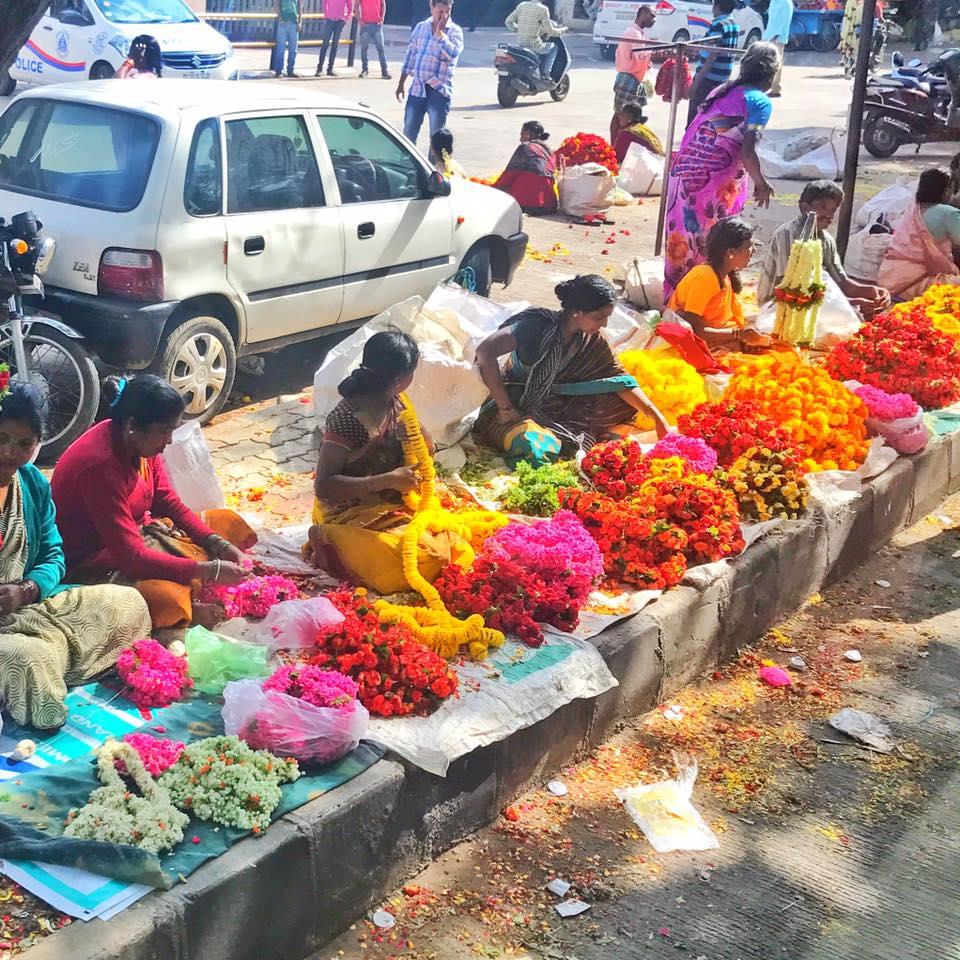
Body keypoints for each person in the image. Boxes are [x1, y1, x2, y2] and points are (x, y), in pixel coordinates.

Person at [51, 376, 256, 631]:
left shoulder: (139, 444)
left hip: (139, 534)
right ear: (132, 426)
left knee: (227, 523)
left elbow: (166, 500)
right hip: (96, 559)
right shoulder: (100, 466)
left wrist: (219, 544)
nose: (169, 441)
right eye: (164, 431)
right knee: (166, 599)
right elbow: (131, 557)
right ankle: (186, 610)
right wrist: (210, 571)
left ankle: (193, 586)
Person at [0, 383, 151, 730]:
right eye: (2, 438)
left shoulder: (31, 483)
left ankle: (42, 665)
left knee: (128, 603)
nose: (10, 452)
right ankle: (40, 667)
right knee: (27, 658)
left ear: (37, 446)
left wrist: (26, 590)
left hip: (28, 609)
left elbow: (54, 555)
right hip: (13, 636)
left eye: (24, 444)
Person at [306, 331, 474, 592]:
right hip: (349, 512)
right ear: (400, 379)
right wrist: (385, 480)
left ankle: (349, 548)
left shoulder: (397, 403)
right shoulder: (347, 419)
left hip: (390, 504)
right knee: (425, 560)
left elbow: (427, 450)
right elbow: (324, 486)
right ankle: (329, 539)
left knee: (454, 544)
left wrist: (420, 437)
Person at [474, 275, 670, 465]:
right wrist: (505, 407)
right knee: (533, 449)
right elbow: (485, 352)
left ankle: (562, 434)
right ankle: (549, 437)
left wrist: (655, 415)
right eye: (599, 317)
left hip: (556, 402)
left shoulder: (592, 337)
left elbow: (616, 377)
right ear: (577, 312)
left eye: (607, 316)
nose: (605, 324)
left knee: (624, 404)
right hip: (515, 398)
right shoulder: (535, 326)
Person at [663, 41, 780, 301]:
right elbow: (746, 152)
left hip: (683, 177)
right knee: (713, 245)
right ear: (772, 74)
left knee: (681, 243)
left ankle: (675, 302)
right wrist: (761, 183)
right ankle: (701, 306)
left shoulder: (722, 90)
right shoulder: (759, 102)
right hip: (711, 185)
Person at [758, 180, 891, 317]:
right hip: (779, 305)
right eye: (822, 207)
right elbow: (792, 288)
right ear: (804, 208)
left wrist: (873, 291)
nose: (829, 215)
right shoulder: (787, 235)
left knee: (866, 314)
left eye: (833, 210)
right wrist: (849, 303)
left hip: (815, 299)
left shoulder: (826, 239)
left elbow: (842, 282)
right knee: (850, 316)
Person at [668, 218, 771, 352]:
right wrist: (739, 334)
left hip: (718, 338)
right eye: (749, 246)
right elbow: (694, 329)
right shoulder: (705, 276)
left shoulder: (725, 273)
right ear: (730, 253)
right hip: (692, 344)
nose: (754, 251)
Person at [878, 167, 960, 300]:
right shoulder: (948, 213)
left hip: (890, 279)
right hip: (918, 282)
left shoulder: (913, 209)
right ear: (945, 191)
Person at [397, 0, 464, 145]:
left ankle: (434, 166)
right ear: (431, 8)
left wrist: (440, 34)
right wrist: (401, 83)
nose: (444, 15)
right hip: (417, 89)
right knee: (408, 133)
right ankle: (409, 165)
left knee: (436, 138)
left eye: (447, 11)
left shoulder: (454, 31)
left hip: (439, 91)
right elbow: (411, 55)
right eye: (440, 11)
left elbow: (453, 54)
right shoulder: (421, 27)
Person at [686, 0, 741, 126]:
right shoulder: (733, 25)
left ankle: (689, 143)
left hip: (707, 79)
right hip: (722, 79)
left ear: (718, 7)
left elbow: (712, 54)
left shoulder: (718, 25)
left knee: (695, 118)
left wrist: (697, 82)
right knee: (710, 118)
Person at [611, 4, 655, 146]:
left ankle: (622, 145)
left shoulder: (638, 33)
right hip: (628, 79)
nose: (653, 20)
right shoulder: (633, 33)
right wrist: (655, 52)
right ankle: (614, 147)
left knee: (632, 116)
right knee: (620, 114)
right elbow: (640, 56)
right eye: (652, 16)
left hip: (633, 79)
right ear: (642, 13)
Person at [493, 120, 558, 214]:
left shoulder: (525, 147)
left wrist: (493, 189)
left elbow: (509, 174)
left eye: (521, 134)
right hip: (548, 205)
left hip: (527, 202)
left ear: (528, 134)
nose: (520, 138)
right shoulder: (550, 151)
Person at [505, 0, 567, 79]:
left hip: (521, 45)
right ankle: (545, 74)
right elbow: (550, 31)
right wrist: (562, 30)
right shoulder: (543, 9)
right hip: (534, 45)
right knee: (553, 47)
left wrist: (518, 29)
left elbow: (508, 21)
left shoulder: (522, 6)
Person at [612, 101, 664, 165]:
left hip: (647, 167)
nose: (619, 117)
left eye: (622, 114)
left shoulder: (626, 134)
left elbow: (616, 158)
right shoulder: (642, 128)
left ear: (629, 118)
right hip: (659, 162)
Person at [762, 0, 793, 98]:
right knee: (767, 63)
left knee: (776, 63)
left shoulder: (785, 3)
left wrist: (775, 36)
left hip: (777, 38)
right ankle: (767, 86)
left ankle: (775, 88)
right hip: (768, 36)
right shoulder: (774, 2)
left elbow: (784, 21)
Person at [317, 0, 354, 78]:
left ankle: (330, 68)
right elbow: (324, 2)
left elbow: (350, 6)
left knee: (335, 46)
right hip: (329, 20)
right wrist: (326, 14)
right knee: (325, 45)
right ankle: (319, 69)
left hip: (339, 21)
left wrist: (346, 19)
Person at [359, 0, 391, 79]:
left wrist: (382, 19)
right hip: (365, 24)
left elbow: (383, 5)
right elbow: (356, 6)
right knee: (364, 49)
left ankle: (384, 71)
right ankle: (364, 69)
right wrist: (359, 20)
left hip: (377, 25)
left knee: (381, 49)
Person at [274, 0, 302, 79]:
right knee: (281, 49)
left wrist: (300, 22)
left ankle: (290, 70)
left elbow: (300, 7)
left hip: (294, 23)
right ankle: (279, 71)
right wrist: (280, 18)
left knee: (293, 49)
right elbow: (276, 5)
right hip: (283, 23)